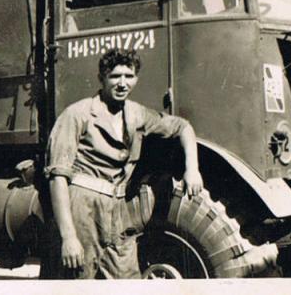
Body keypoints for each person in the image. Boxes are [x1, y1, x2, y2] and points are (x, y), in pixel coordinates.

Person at [42, 48, 203, 279]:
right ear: (102, 78)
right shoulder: (77, 114)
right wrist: (68, 236)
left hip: (119, 209)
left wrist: (192, 168)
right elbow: (58, 177)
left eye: (129, 76)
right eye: (115, 76)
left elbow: (182, 127)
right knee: (78, 280)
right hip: (82, 208)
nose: (122, 83)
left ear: (136, 79)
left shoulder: (136, 114)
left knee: (127, 281)